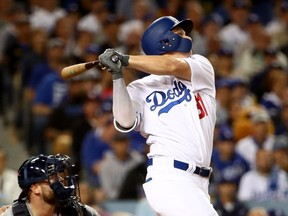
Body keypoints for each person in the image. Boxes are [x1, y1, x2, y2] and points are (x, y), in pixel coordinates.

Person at [98, 15, 218, 216]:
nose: (186, 36)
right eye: (179, 33)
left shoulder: (200, 65)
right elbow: (125, 122)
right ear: (163, 41)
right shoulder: (140, 87)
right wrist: (117, 77)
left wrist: (125, 59)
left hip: (199, 182)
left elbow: (171, 66)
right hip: (169, 177)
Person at [0, 154, 100, 216]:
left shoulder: (79, 212)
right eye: (53, 177)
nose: (61, 180)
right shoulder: (11, 214)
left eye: (60, 176)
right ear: (35, 188)